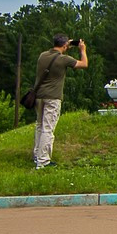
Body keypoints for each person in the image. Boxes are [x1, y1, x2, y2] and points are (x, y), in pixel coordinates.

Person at [29, 34, 85, 169]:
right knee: (48, 129)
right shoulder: (64, 59)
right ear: (65, 46)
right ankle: (43, 161)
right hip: (53, 97)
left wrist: (66, 45)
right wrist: (82, 50)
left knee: (40, 126)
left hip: (39, 96)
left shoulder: (42, 56)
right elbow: (84, 64)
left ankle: (37, 155)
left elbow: (57, 51)